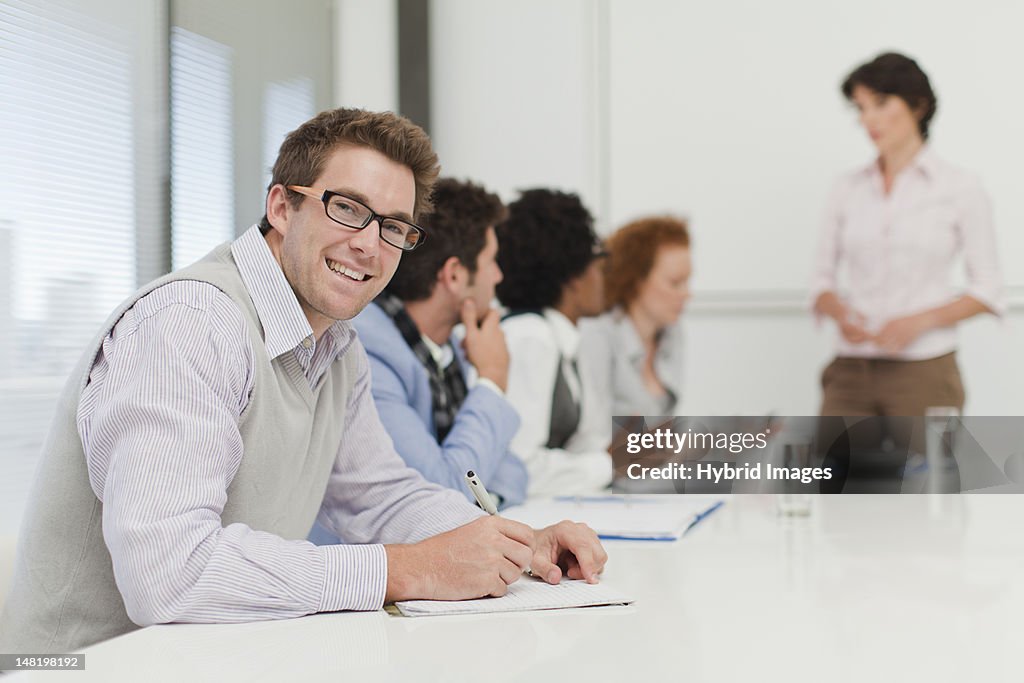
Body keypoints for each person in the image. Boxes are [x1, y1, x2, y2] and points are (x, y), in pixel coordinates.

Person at [0, 108, 606, 655]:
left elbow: (381, 496)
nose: (369, 243)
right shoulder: (189, 325)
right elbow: (171, 574)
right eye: (347, 208)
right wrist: (404, 570)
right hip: (82, 668)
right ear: (282, 207)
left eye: (394, 226)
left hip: (211, 657)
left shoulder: (337, 344)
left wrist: (517, 545)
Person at [313, 177, 526, 543]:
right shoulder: (367, 345)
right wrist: (491, 379)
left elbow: (514, 471)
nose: (499, 276)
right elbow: (440, 490)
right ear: (455, 275)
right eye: (492, 262)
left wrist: (478, 505)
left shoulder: (440, 352)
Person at [810, 52, 1003, 424]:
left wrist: (916, 323)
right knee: (832, 475)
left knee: (927, 478)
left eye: (880, 104)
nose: (868, 120)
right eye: (860, 109)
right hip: (851, 368)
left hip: (925, 369)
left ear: (918, 105)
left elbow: (987, 290)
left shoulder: (960, 188)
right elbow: (820, 282)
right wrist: (840, 311)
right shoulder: (846, 189)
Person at [495, 189, 613, 498]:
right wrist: (610, 463)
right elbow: (519, 469)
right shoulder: (531, 337)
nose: (604, 277)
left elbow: (581, 446)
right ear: (573, 274)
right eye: (599, 263)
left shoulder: (562, 338)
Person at [579, 216, 692, 417]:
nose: (686, 294)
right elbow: (591, 436)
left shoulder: (671, 333)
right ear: (635, 280)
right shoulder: (597, 335)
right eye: (675, 283)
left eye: (687, 282)